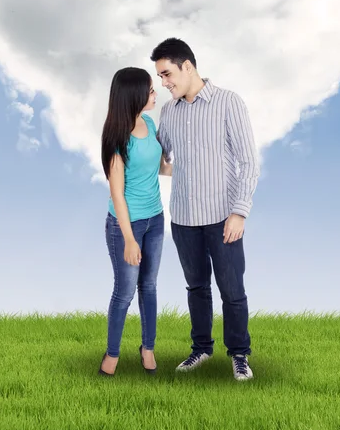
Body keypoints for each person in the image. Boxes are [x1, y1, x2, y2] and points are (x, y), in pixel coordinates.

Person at [150, 38, 260, 381]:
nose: (164, 82)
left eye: (167, 74)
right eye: (160, 77)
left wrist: (239, 212)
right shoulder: (168, 112)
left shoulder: (228, 103)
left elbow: (248, 162)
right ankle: (201, 349)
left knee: (231, 290)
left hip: (223, 218)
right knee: (196, 288)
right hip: (183, 218)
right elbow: (162, 157)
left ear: (188, 66)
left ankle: (239, 354)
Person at [98, 67, 172, 377]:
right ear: (134, 96)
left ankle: (148, 348)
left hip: (155, 220)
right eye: (151, 90)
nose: (156, 94)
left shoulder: (150, 122)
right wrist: (129, 239)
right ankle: (112, 354)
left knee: (150, 287)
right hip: (125, 225)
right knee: (125, 291)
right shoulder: (117, 138)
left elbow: (161, 168)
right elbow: (117, 194)